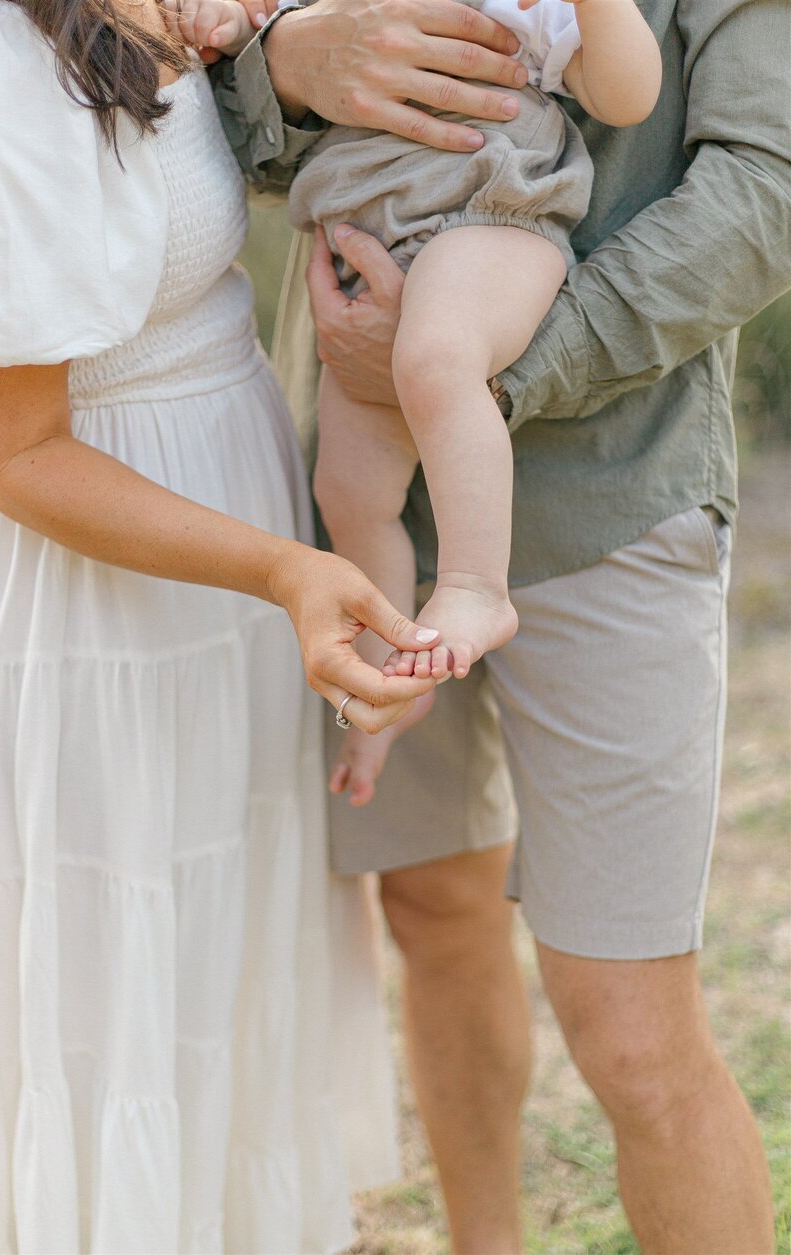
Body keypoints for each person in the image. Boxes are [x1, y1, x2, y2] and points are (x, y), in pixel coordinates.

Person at [213, 0, 790, 1249]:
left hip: (606, 493)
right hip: (360, 488)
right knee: (431, 914)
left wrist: (482, 370)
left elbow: (765, 195)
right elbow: (207, 120)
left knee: (631, 1034)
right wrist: (287, 67)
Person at [0, 0, 450, 1247]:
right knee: (123, 953)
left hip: (235, 519)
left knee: (218, 934)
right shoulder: (8, 76)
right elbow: (18, 454)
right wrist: (283, 572)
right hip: (115, 584)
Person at [164, 0, 661, 808]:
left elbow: (627, 95)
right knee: (348, 490)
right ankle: (400, 665)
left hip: (492, 217)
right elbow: (254, 39)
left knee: (435, 357)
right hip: (371, 245)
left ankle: (476, 587)